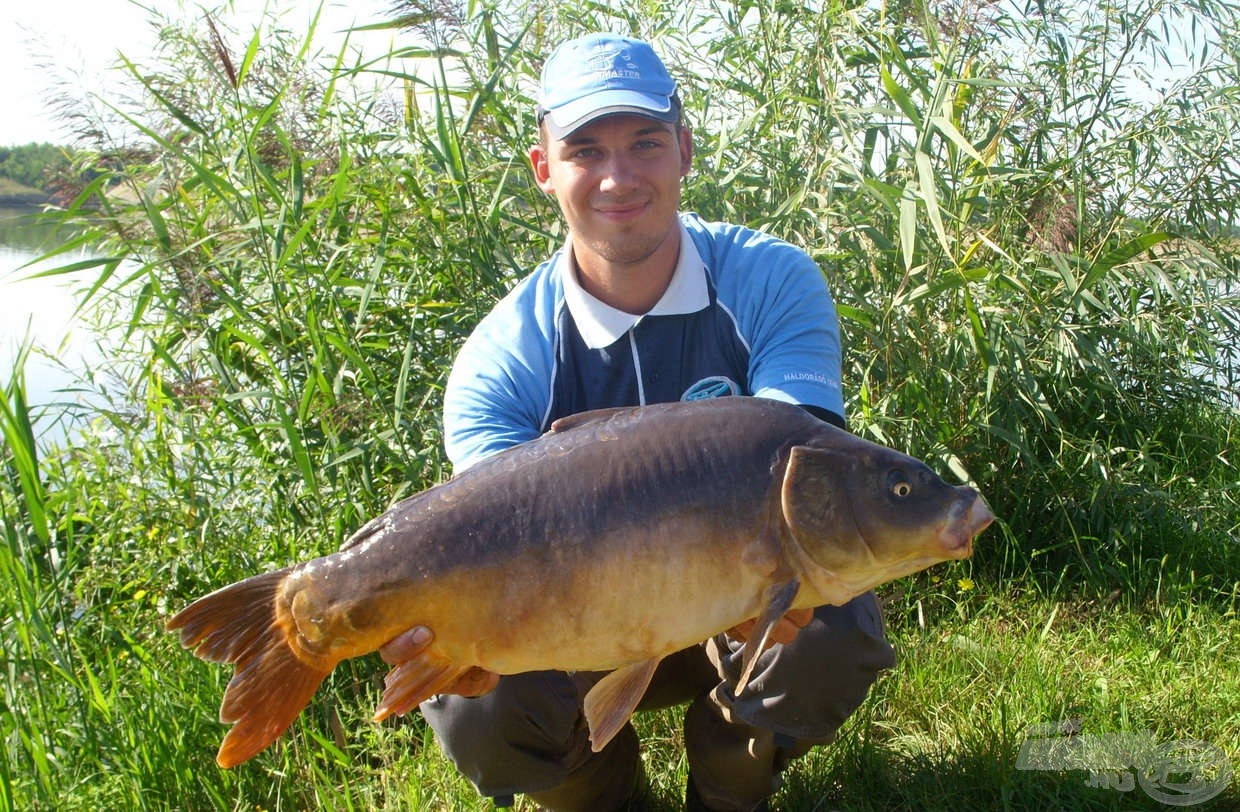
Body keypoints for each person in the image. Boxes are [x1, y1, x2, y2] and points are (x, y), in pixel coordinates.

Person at [379, 33, 895, 811]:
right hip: (578, 626)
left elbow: (809, 483)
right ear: (544, 168)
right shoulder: (501, 362)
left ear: (684, 150)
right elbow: (491, 548)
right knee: (477, 704)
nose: (619, 177)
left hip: (740, 605)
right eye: (586, 151)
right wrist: (463, 634)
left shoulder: (769, 279)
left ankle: (728, 789)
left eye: (646, 143)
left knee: (831, 621)